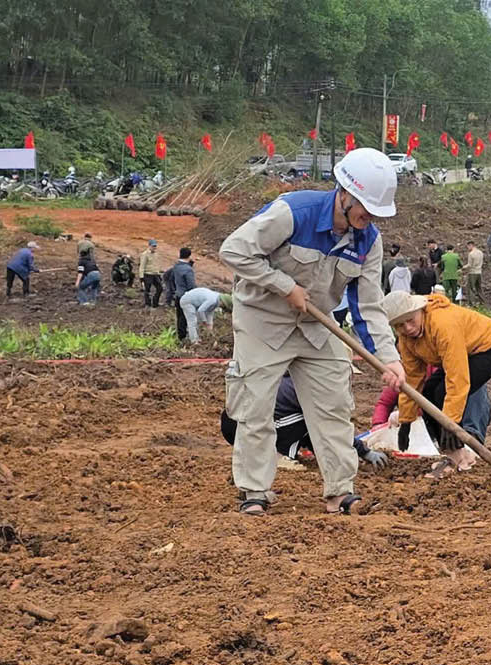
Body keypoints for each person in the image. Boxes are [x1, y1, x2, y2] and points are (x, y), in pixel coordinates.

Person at [218, 147, 405, 516]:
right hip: (263, 322)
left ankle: (340, 491)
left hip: (317, 326)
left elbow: (367, 305)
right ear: (345, 193)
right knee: (255, 406)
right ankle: (254, 491)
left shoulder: (368, 239)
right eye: (364, 209)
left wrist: (389, 358)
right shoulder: (293, 212)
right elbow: (234, 251)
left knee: (334, 406)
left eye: (375, 213)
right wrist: (283, 285)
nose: (368, 218)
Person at [378, 291, 491, 476]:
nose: (407, 328)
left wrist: (450, 424)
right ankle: (452, 453)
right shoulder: (407, 340)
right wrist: (406, 420)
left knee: (443, 392)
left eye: (410, 320)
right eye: (399, 325)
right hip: (466, 349)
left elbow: (457, 380)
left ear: (420, 311)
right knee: (429, 394)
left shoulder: (443, 325)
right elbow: (413, 380)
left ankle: (462, 453)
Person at [220, 373, 391, 471]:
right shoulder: (312, 387)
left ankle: (268, 451)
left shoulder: (297, 377)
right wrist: (363, 451)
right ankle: (278, 455)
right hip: (245, 426)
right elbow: (329, 425)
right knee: (311, 419)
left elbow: (312, 435)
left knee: (307, 420)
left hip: (242, 423)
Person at [169, 248, 196, 340]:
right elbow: (191, 285)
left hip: (178, 295)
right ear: (189, 256)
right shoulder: (188, 269)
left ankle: (181, 336)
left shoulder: (176, 267)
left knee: (179, 317)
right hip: (187, 296)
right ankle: (189, 337)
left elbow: (170, 278)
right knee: (187, 318)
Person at [139, 239, 163, 308]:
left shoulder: (156, 254)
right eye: (153, 246)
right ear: (149, 246)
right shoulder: (144, 254)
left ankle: (155, 303)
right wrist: (141, 277)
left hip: (155, 274)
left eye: (155, 246)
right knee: (147, 290)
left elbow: (156, 265)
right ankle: (148, 304)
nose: (154, 247)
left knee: (160, 288)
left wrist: (158, 274)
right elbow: (142, 266)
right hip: (147, 274)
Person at [464, 240, 485, 306]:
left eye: (468, 246)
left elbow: (469, 265)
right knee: (479, 287)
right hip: (479, 272)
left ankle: (472, 303)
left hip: (472, 272)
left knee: (470, 288)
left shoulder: (471, 254)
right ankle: (482, 302)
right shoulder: (480, 252)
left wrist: (463, 268)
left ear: (471, 245)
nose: (468, 248)